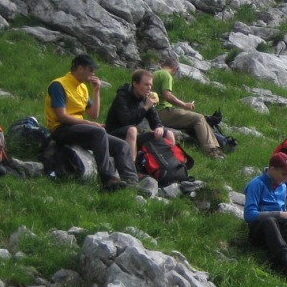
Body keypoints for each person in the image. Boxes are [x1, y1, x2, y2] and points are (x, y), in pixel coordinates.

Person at [45, 53, 137, 192]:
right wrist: (89, 124)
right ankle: (108, 179)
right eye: (90, 70)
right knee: (99, 132)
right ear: (80, 68)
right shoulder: (59, 85)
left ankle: (132, 183)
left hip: (78, 128)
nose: (93, 73)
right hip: (61, 129)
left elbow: (94, 114)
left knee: (122, 145)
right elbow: (61, 116)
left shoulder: (82, 88)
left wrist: (96, 91)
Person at [152, 57, 224, 159]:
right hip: (163, 111)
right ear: (175, 69)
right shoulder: (166, 75)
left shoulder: (154, 74)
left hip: (154, 111)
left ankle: (214, 146)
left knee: (195, 118)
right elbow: (168, 96)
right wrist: (184, 105)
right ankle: (211, 150)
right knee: (198, 118)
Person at [104, 69, 176, 159]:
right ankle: (131, 165)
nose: (149, 88)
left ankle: (174, 164)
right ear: (135, 84)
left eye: (150, 85)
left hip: (133, 137)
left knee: (168, 134)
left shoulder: (145, 98)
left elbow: (155, 120)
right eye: (146, 84)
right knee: (132, 130)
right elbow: (127, 121)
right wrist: (145, 107)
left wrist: (159, 127)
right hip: (113, 136)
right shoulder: (122, 97)